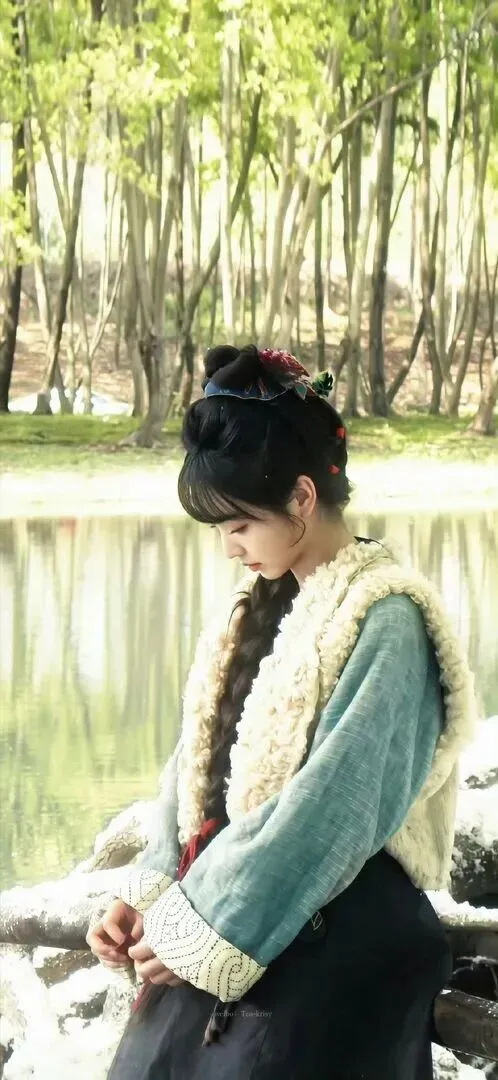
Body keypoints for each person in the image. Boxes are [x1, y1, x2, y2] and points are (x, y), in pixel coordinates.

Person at [87, 343, 477, 1080]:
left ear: (301, 497)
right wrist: (152, 892)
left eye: (238, 526)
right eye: (219, 531)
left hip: (334, 930)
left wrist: (204, 921)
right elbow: (193, 770)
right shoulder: (253, 607)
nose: (229, 549)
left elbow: (336, 804)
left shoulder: (388, 615)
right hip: (229, 905)